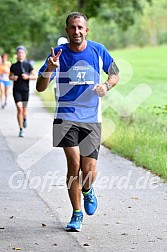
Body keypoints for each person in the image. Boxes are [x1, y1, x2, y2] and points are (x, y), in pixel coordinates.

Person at [36, 12, 119, 232]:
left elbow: (115, 73)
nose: (76, 31)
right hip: (65, 116)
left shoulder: (98, 51)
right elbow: (40, 87)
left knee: (88, 170)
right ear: (67, 31)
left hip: (91, 119)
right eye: (72, 27)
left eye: (80, 27)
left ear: (86, 30)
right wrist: (50, 69)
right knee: (73, 164)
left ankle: (88, 190)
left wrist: (107, 86)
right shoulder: (57, 55)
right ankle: (76, 213)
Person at [9, 46, 37, 137]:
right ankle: (21, 129)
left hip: (25, 91)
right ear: (17, 54)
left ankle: (24, 118)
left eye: (22, 53)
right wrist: (12, 78)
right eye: (19, 53)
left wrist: (28, 77)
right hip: (16, 90)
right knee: (19, 108)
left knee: (24, 111)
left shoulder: (28, 65)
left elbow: (35, 76)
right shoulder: (13, 66)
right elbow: (10, 76)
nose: (20, 54)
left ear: (25, 54)